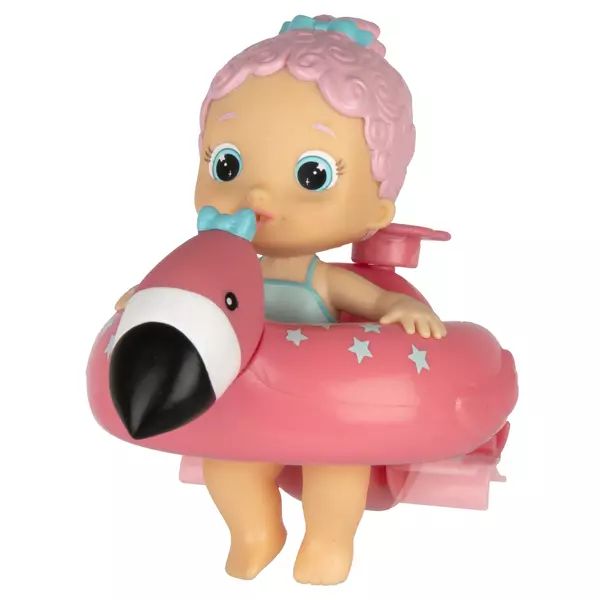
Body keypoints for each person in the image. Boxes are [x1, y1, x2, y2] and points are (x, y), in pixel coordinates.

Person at [116, 15, 446, 584]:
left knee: (337, 472)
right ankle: (254, 531)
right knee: (228, 469)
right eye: (227, 165)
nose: (258, 192)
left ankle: (328, 541)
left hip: (330, 417)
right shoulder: (225, 271)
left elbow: (373, 302)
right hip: (246, 408)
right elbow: (186, 302)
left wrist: (401, 309)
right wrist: (146, 300)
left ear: (376, 211)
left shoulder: (322, 279)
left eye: (312, 174)